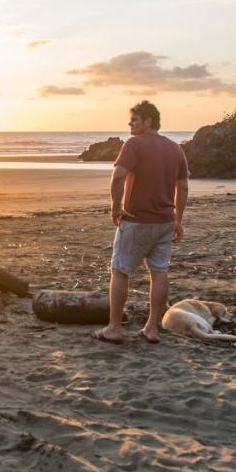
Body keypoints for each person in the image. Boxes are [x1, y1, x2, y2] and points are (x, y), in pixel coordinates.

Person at [93, 100, 189, 346]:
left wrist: (116, 207)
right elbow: (183, 186)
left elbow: (118, 177)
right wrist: (178, 219)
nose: (130, 123)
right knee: (159, 271)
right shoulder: (175, 148)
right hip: (165, 221)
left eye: (134, 119)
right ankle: (151, 328)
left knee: (120, 270)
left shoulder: (134, 144)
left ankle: (114, 328)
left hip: (137, 219)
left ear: (148, 121)